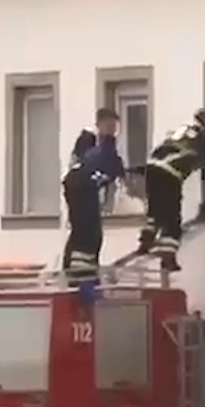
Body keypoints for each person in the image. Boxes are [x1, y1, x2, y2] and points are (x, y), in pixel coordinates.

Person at [129, 109, 205, 271]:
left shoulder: (183, 130)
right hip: (170, 172)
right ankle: (168, 258)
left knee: (155, 210)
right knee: (172, 218)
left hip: (152, 167)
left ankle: (146, 240)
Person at [61, 107, 125, 285]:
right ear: (100, 124)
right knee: (88, 231)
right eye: (109, 125)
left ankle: (76, 269)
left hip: (79, 186)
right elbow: (108, 164)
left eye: (114, 126)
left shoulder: (90, 148)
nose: (112, 129)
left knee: (83, 231)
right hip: (82, 186)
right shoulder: (99, 147)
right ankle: (81, 273)